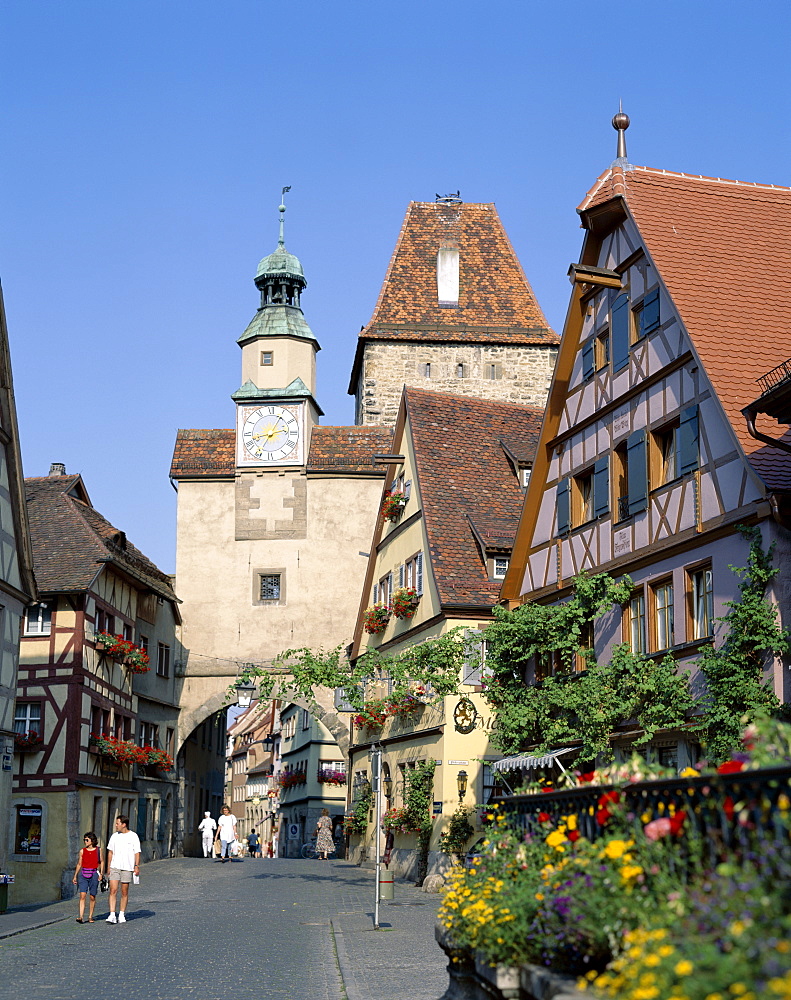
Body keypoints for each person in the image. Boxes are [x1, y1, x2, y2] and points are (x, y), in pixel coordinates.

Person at [105, 815, 141, 923]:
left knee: (124, 891)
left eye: (117, 823)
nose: (116, 826)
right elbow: (110, 852)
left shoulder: (133, 836)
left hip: (127, 867)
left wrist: (136, 866)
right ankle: (112, 914)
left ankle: (121, 914)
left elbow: (137, 852)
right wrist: (109, 866)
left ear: (124, 824)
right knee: (113, 890)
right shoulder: (114, 836)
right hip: (115, 866)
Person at [72, 831, 103, 923]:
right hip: (83, 874)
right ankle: (80, 916)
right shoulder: (82, 851)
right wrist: (75, 876)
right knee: (82, 895)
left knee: (92, 896)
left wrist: (101, 874)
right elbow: (79, 864)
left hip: (93, 873)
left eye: (87, 840)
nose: (85, 841)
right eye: (84, 840)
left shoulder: (98, 850)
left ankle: (90, 916)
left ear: (92, 841)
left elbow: (102, 862)